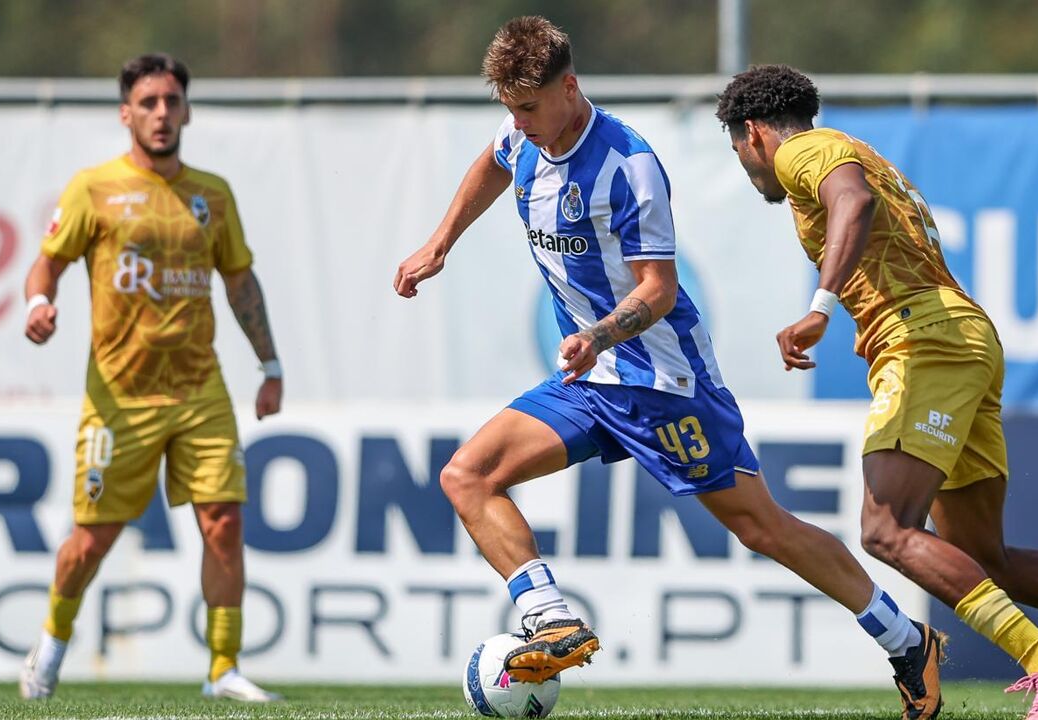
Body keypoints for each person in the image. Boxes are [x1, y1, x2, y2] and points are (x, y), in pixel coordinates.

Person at [396, 17, 947, 717]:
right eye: (510, 108)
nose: (520, 123)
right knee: (467, 475)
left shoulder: (627, 165)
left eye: (529, 107)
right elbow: (494, 162)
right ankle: (551, 618)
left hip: (663, 382)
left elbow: (657, 289)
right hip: (591, 382)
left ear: (570, 87)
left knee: (761, 527)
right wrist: (440, 242)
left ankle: (906, 640)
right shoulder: (521, 135)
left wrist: (598, 334)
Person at [716, 63, 1038, 720]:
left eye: (738, 148)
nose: (746, 165)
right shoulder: (859, 152)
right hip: (962, 337)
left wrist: (820, 306)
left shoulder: (803, 151)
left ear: (754, 132)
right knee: (985, 558)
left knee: (886, 530)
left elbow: (852, 202)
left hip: (923, 340)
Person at [19, 53, 283, 703]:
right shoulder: (94, 188)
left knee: (224, 522)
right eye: (148, 103)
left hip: (200, 391)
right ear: (126, 114)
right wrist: (38, 304)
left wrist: (270, 365)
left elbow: (240, 282)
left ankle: (223, 669)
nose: (161, 113)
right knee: (92, 541)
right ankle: (51, 643)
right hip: (121, 398)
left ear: (187, 111)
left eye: (171, 101)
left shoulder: (212, 194)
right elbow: (47, 264)